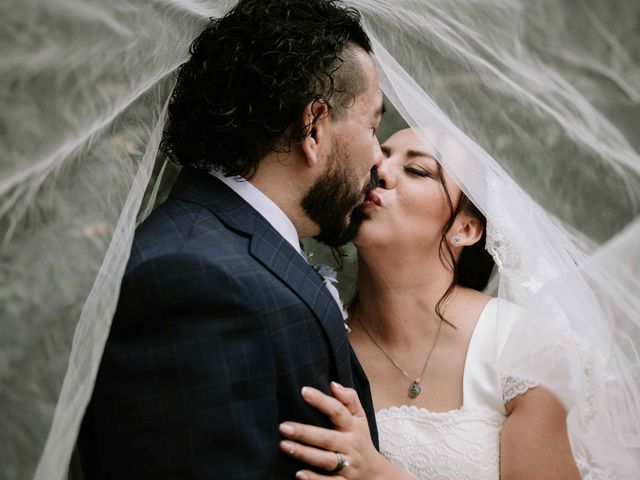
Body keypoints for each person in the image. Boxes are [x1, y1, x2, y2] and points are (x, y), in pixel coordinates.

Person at [76, 1, 385, 478]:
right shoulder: (191, 280)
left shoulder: (235, 248)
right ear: (314, 125)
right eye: (372, 126)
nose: (378, 157)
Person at [277, 128, 581, 479]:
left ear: (465, 229)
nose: (381, 172)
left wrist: (377, 474)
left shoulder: (526, 349)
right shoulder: (317, 339)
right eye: (380, 157)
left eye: (418, 171)